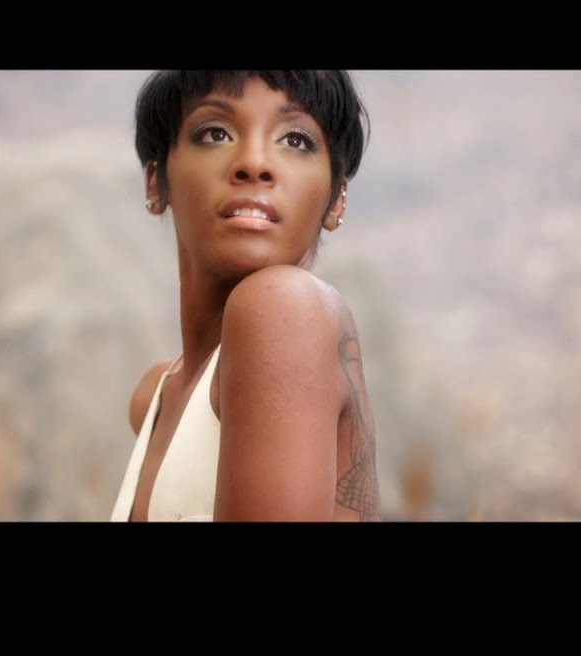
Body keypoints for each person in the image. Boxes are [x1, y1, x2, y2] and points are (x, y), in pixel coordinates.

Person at [110, 70, 381, 522]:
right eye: (215, 133)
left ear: (337, 199)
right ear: (156, 181)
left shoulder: (284, 307)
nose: (254, 163)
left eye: (295, 140)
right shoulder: (155, 397)